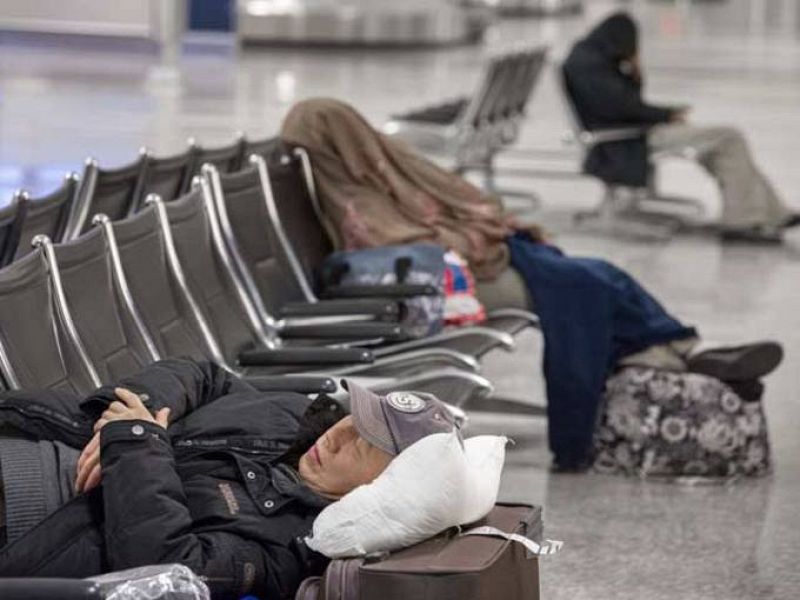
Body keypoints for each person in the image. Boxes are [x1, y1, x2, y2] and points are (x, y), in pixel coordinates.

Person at [280, 97, 784, 471]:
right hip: (445, 289)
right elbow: (400, 243)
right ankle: (640, 380)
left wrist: (474, 232)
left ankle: (677, 350)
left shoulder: (365, 175)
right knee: (583, 287)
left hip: (465, 273)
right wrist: (472, 233)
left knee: (597, 276)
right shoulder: (347, 192)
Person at [0, 358, 459, 598]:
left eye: (362, 443)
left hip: (33, 522)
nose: (338, 433)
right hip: (29, 432)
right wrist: (127, 412)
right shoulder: (294, 419)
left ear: (380, 488)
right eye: (355, 418)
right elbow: (204, 375)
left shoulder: (288, 547)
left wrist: (138, 440)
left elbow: (169, 570)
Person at [562, 11, 800, 243]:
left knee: (720, 145)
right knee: (729, 137)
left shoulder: (595, 57)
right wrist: (666, 114)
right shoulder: (588, 64)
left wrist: (636, 75)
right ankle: (742, 220)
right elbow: (619, 107)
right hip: (629, 137)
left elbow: (624, 103)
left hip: (636, 130)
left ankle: (772, 212)